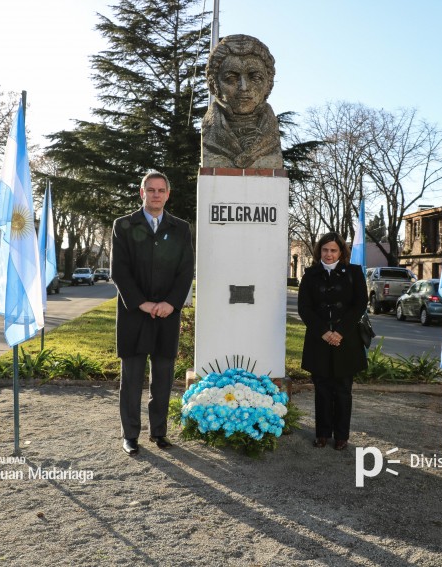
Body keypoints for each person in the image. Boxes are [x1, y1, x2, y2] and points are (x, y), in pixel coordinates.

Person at [110, 171, 195, 456]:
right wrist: (142, 304)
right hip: (134, 315)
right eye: (151, 189)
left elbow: (186, 271)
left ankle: (158, 433)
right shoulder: (123, 226)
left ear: (168, 194)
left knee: (162, 377)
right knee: (131, 379)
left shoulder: (181, 228)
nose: (156, 194)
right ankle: (130, 435)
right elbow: (118, 271)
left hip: (167, 315)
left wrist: (171, 303)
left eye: (161, 190)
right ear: (141, 192)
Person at [297, 233, 368, 451]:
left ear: (341, 252)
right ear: (320, 251)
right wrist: (324, 332)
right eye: (325, 250)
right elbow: (304, 308)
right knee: (322, 390)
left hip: (346, 341)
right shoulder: (310, 275)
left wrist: (339, 332)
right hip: (319, 341)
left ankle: (341, 436)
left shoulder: (354, 273)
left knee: (343, 390)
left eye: (333, 250)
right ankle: (322, 434)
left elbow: (360, 305)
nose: (329, 254)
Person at [201, 34, 283, 169]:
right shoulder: (210, 134)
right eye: (231, 78)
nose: (244, 87)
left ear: (268, 84)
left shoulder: (271, 134)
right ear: (214, 85)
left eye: (255, 77)